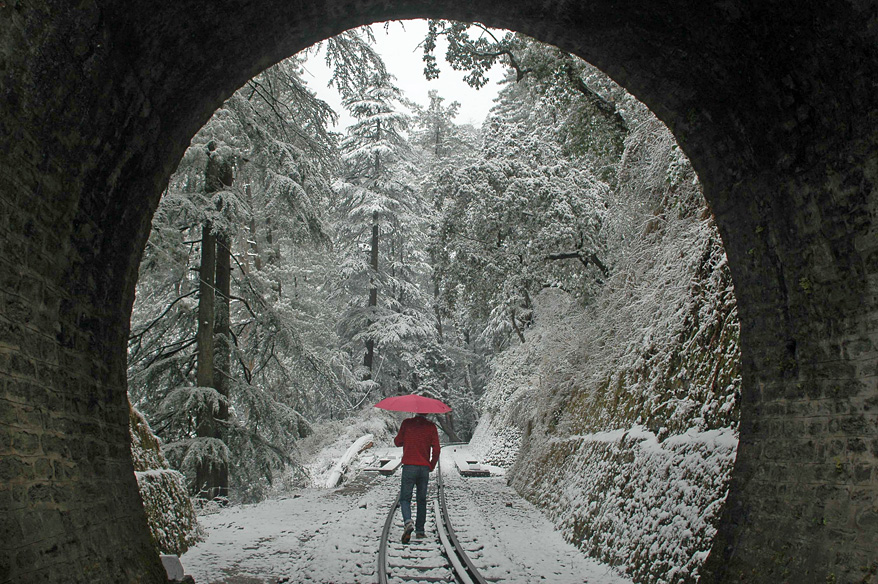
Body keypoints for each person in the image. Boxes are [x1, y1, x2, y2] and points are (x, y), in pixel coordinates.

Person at [394, 413, 440, 543]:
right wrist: (431, 464)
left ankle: (408, 521)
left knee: (405, 498)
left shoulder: (407, 424)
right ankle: (420, 530)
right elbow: (437, 450)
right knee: (421, 499)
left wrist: (406, 438)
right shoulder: (431, 427)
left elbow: (398, 442)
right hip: (423, 469)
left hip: (409, 467)